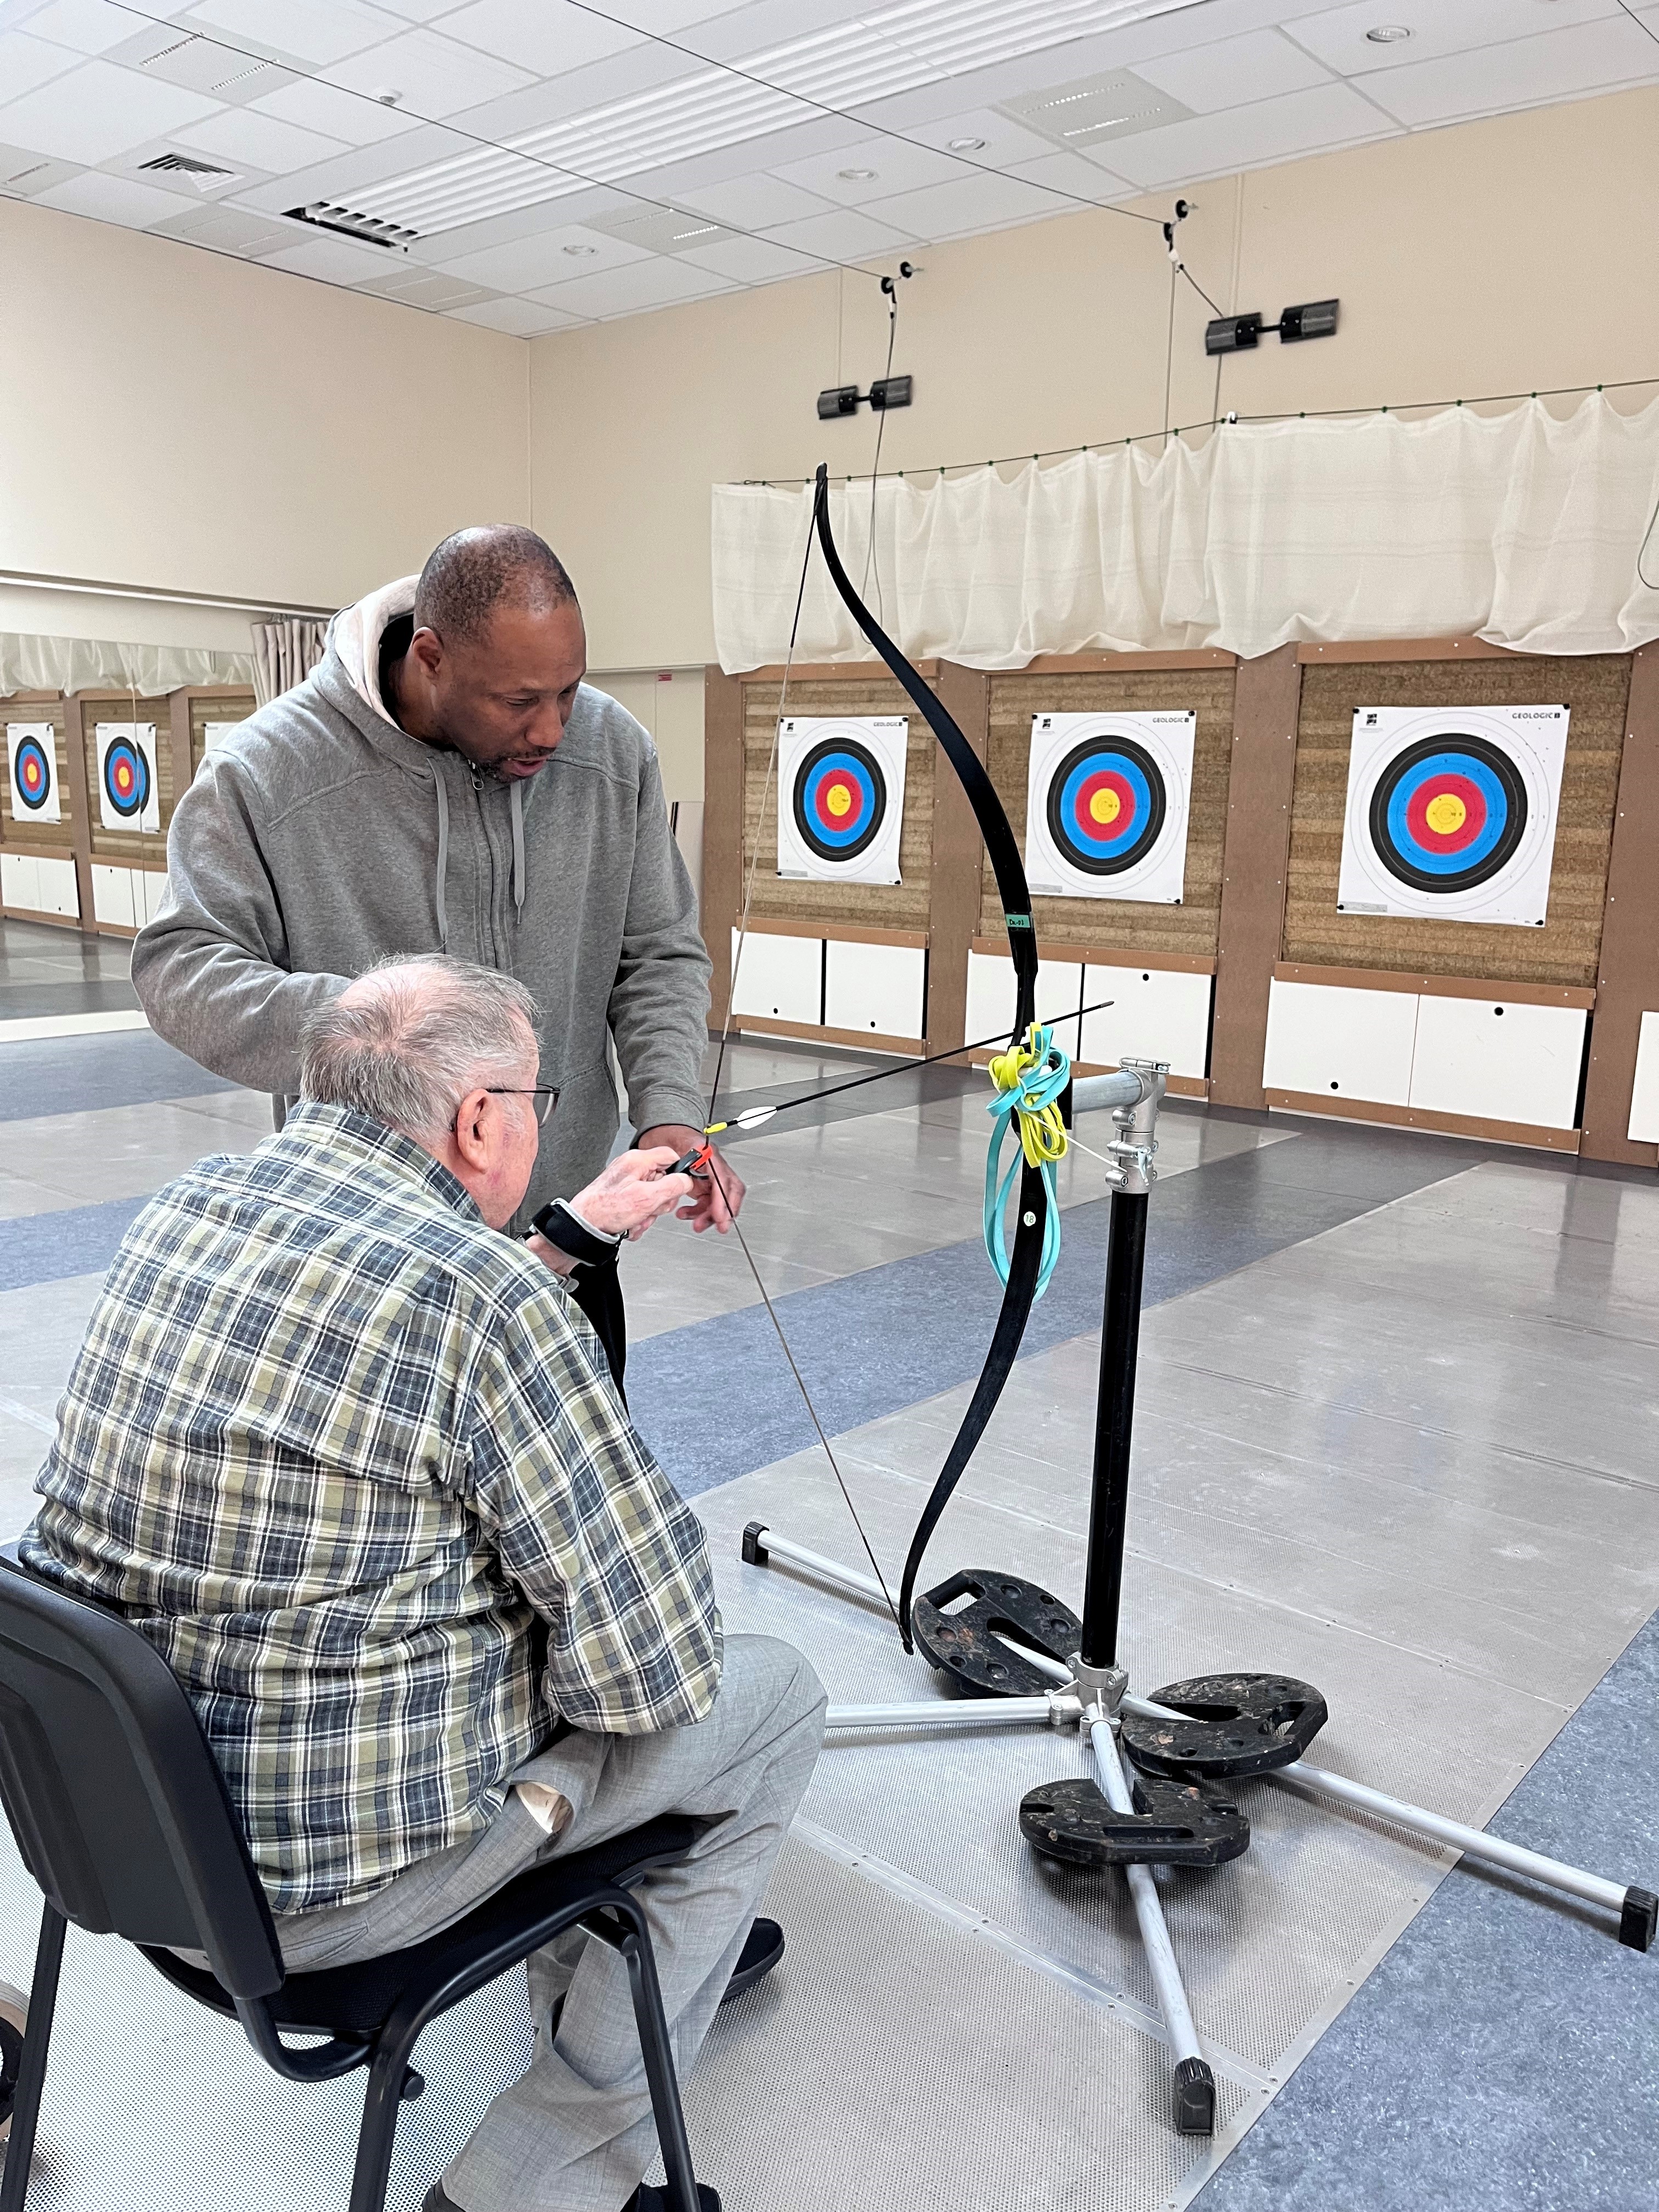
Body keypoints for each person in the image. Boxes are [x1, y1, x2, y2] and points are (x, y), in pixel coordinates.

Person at [21, 956, 824, 2212]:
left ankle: (626, 1953)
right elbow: (652, 1669)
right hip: (323, 1905)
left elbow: (363, 1330)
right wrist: (526, 1291)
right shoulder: (486, 1301)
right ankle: (536, 2168)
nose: (538, 1123)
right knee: (768, 1697)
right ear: (479, 1121)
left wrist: (566, 1233)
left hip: (122, 1842)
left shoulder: (193, 1204)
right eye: (537, 1099)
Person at [132, 523, 744, 1382]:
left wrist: (671, 1110)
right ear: (430, 657)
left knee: (572, 1502)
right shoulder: (266, 769)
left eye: (568, 690)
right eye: (517, 701)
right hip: (364, 1255)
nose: (554, 729)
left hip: (570, 1238)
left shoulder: (614, 750)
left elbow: (660, 953)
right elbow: (179, 966)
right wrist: (377, 1036)